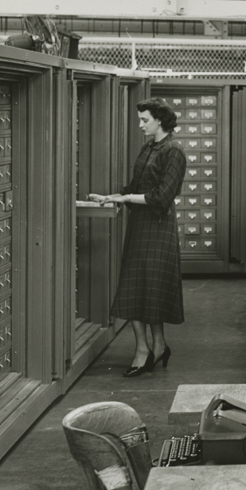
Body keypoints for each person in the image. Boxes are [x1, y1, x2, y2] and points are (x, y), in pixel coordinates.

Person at [88, 97, 187, 377]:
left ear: (160, 120)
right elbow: (135, 187)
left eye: (145, 120)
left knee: (150, 288)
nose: (140, 124)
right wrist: (111, 197)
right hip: (140, 225)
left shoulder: (174, 151)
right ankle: (152, 346)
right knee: (136, 288)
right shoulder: (149, 148)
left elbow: (162, 197)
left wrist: (128, 197)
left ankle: (149, 349)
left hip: (158, 227)